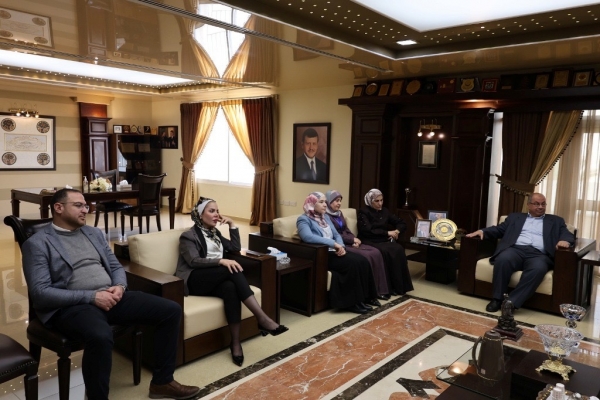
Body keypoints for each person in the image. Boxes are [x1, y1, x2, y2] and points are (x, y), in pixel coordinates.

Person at [21, 188, 199, 400]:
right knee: (100, 335)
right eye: (78, 205)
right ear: (58, 208)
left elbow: (115, 267)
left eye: (86, 205)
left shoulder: (93, 233)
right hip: (74, 306)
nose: (85, 210)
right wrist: (92, 297)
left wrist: (120, 286)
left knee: (170, 310)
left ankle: (162, 382)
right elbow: (41, 293)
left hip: (111, 296)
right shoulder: (38, 243)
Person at [176, 197, 288, 367]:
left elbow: (234, 248)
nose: (216, 214)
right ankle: (262, 318)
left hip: (215, 278)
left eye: (217, 211)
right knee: (230, 268)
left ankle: (235, 343)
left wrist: (232, 225)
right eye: (211, 211)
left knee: (230, 288)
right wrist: (221, 261)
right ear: (200, 214)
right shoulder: (188, 236)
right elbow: (193, 261)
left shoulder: (215, 233)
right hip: (194, 279)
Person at [466, 193, 574, 312]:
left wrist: (565, 240)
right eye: (536, 204)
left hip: (539, 254)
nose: (540, 207)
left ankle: (511, 303)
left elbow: (567, 234)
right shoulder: (515, 217)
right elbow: (499, 229)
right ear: (528, 205)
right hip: (515, 250)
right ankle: (497, 299)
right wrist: (483, 231)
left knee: (538, 268)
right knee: (503, 259)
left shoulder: (556, 220)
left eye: (543, 204)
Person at [297, 192, 380, 314]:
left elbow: (336, 234)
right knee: (352, 264)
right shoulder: (303, 219)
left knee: (362, 261)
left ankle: (367, 297)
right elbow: (308, 237)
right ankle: (352, 303)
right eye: (321, 202)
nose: (325, 205)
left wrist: (341, 246)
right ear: (312, 204)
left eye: (325, 202)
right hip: (322, 254)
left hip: (334, 250)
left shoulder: (325, 217)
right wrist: (333, 244)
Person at [325, 190, 391, 300]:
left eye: (340, 201)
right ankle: (369, 293)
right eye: (336, 201)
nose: (339, 203)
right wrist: (352, 239)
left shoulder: (339, 213)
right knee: (366, 257)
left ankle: (380, 289)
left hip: (350, 242)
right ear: (329, 202)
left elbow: (346, 229)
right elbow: (334, 234)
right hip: (340, 244)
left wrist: (354, 239)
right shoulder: (326, 216)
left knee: (376, 252)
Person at [357, 189, 414, 296]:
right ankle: (389, 287)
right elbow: (367, 230)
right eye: (377, 201)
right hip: (369, 239)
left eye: (381, 200)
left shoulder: (385, 211)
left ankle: (400, 286)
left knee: (398, 249)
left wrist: (397, 231)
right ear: (370, 201)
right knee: (386, 252)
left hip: (382, 239)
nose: (380, 203)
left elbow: (401, 222)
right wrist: (387, 233)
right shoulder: (363, 212)